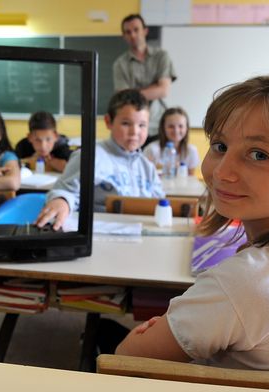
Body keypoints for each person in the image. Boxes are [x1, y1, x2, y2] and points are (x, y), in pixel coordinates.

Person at [114, 73, 269, 374]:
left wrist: (177, 322)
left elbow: (125, 359)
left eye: (259, 155)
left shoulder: (244, 282)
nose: (222, 171)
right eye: (219, 145)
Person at [36, 89, 165, 230]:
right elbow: (65, 191)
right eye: (126, 123)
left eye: (142, 125)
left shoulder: (147, 167)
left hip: (140, 235)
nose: (135, 132)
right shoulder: (90, 156)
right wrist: (62, 201)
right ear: (108, 121)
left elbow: (160, 205)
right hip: (101, 236)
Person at [113, 14, 176, 142]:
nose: (133, 35)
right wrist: (154, 86)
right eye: (128, 32)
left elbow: (164, 90)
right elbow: (124, 98)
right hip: (132, 128)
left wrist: (133, 92)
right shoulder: (119, 64)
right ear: (124, 36)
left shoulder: (161, 56)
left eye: (136, 30)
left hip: (159, 126)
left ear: (145, 31)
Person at [144, 107, 200, 175]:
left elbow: (190, 178)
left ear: (186, 128)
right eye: (171, 126)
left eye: (180, 126)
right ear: (163, 128)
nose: (176, 131)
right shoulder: (152, 149)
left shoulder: (191, 150)